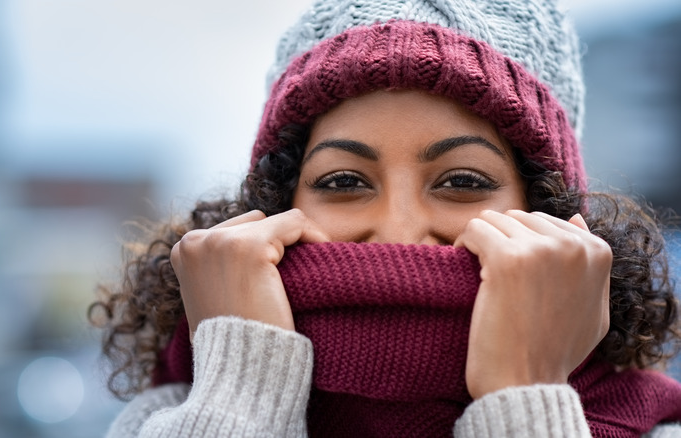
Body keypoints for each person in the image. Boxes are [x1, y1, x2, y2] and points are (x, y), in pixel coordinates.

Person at [89, 0, 681, 436]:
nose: (400, 231)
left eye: (462, 182)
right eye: (344, 181)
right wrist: (240, 393)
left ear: (546, 211)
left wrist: (524, 393)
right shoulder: (165, 417)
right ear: (273, 208)